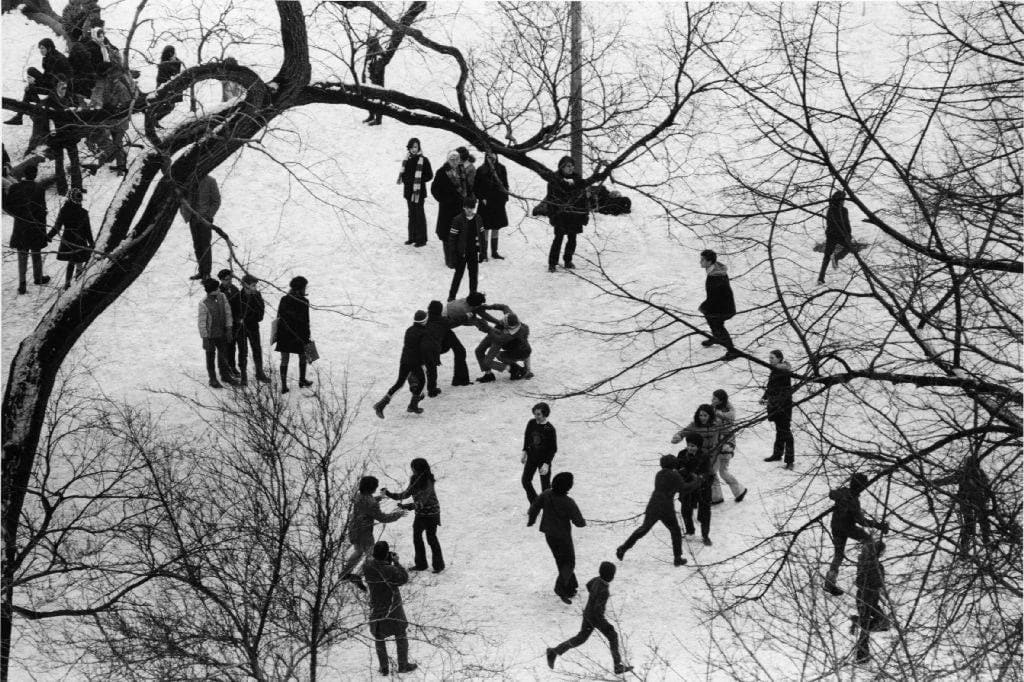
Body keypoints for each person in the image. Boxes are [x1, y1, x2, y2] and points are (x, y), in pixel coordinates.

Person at [546, 561, 632, 674]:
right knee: (613, 636)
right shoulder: (604, 590)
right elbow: (598, 611)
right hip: (595, 618)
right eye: (613, 574)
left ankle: (554, 651)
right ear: (610, 576)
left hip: (588, 614)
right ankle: (617, 666)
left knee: (580, 638)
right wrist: (606, 625)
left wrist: (592, 597)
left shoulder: (596, 580)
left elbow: (588, 585)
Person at [615, 453, 700, 566]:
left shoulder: (659, 474)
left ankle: (623, 548)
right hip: (666, 507)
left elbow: (672, 479)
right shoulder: (675, 475)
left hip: (653, 504)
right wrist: (697, 481)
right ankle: (677, 557)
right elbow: (684, 488)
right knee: (675, 531)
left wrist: (681, 473)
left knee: (643, 529)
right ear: (673, 464)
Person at [824, 473, 889, 596]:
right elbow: (861, 521)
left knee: (839, 554)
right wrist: (878, 525)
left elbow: (832, 494)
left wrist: (842, 497)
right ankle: (866, 571)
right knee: (868, 541)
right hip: (848, 528)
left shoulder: (844, 492)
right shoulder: (853, 500)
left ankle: (830, 581)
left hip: (836, 527)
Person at [527, 471, 585, 604]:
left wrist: (531, 520)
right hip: (563, 537)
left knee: (560, 560)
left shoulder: (546, 494)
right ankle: (560, 587)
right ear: (568, 487)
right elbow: (579, 522)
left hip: (549, 535)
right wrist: (583, 522)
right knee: (569, 562)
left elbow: (534, 507)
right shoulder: (568, 502)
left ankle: (570, 588)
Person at [341, 476, 407, 591]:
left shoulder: (358, 496)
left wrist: (379, 498)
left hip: (354, 529)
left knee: (358, 551)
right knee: (371, 556)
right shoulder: (371, 503)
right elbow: (383, 518)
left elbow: (366, 504)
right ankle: (358, 575)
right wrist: (398, 514)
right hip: (365, 532)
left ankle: (344, 574)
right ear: (372, 488)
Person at [363, 541, 417, 675]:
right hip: (393, 607)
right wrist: (396, 563)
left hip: (377, 606)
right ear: (386, 554)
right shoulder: (390, 570)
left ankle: (384, 667)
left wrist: (384, 558)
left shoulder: (367, 566)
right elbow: (403, 579)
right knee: (401, 634)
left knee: (379, 637)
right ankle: (403, 665)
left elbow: (371, 560)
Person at [382, 458, 444, 573]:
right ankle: (421, 564)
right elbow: (406, 494)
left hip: (431, 514)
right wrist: (389, 494)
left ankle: (438, 565)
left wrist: (407, 506)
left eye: (414, 469)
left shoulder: (428, 481)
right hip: (420, 514)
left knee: (431, 539)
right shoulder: (414, 479)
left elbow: (422, 501)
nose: (413, 471)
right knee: (417, 538)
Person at [372, 310, 432, 417]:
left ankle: (381, 405)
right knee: (422, 381)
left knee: (399, 383)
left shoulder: (409, 330)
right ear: (424, 321)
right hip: (416, 362)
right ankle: (413, 405)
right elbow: (424, 349)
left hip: (405, 360)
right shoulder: (424, 333)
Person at [932, 453, 992, 558]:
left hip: (976, 502)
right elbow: (947, 480)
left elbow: (987, 489)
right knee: (971, 526)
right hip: (968, 502)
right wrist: (932, 483)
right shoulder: (965, 474)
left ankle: (987, 546)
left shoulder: (979, 474)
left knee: (981, 524)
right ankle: (965, 549)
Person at [5, 38, 72, 128]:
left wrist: (34, 83)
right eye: (40, 48)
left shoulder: (56, 59)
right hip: (51, 82)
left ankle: (21, 115)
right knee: (31, 71)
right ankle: (20, 115)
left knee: (29, 89)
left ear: (49, 48)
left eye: (43, 48)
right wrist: (35, 81)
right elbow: (47, 75)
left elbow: (52, 81)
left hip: (58, 88)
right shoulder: (49, 56)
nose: (41, 50)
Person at [5, 164, 51, 294]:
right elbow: (42, 211)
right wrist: (43, 230)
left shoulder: (15, 188)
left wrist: (16, 216)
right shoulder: (39, 188)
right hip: (35, 226)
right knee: (36, 252)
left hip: (20, 225)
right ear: (35, 175)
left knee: (22, 255)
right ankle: (38, 277)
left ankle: (22, 283)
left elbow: (7, 205)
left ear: (24, 174)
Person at [671, 403, 723, 504]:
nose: (702, 418)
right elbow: (684, 432)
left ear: (710, 416)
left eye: (705, 415)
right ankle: (709, 496)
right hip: (701, 454)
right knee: (707, 473)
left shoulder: (717, 425)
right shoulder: (694, 425)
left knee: (712, 473)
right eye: (700, 415)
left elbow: (725, 434)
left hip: (714, 454)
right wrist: (678, 436)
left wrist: (726, 445)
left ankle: (716, 497)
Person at [546, 156, 589, 272]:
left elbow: (584, 199)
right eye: (568, 166)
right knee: (558, 239)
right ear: (562, 167)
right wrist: (552, 215)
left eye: (572, 166)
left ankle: (568, 260)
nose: (571, 168)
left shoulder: (578, 180)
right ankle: (552, 263)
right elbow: (550, 199)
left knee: (572, 239)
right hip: (560, 215)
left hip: (574, 215)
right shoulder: (555, 180)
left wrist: (585, 214)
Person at [47, 187, 94, 289]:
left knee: (72, 261)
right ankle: (76, 283)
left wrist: (49, 236)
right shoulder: (83, 212)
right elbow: (88, 230)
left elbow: (57, 226)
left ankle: (68, 284)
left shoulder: (64, 210)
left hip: (68, 240)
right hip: (80, 240)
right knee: (79, 262)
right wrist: (91, 242)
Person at [851, 537, 888, 664]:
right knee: (866, 627)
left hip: (872, 598)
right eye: (882, 551)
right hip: (865, 596)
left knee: (884, 622)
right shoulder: (868, 563)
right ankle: (861, 656)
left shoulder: (874, 564)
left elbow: (880, 583)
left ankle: (858, 621)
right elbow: (866, 581)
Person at [698, 249, 739, 360]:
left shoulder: (715, 277)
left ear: (710, 262)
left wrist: (704, 307)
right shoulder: (715, 270)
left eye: (702, 260)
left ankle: (732, 351)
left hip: (724, 308)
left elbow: (715, 297)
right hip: (721, 305)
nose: (700, 262)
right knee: (711, 319)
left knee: (718, 326)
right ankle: (716, 337)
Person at [274, 275, 313, 393]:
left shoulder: (284, 299)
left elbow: (279, 317)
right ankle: (302, 380)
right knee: (303, 357)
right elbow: (306, 322)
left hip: (284, 334)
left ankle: (284, 386)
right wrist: (307, 338)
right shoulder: (304, 301)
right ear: (301, 288)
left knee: (284, 360)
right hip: (299, 336)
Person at [179, 174, 221, 281]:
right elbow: (182, 198)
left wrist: (208, 215)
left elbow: (216, 201)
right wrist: (186, 213)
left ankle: (206, 273)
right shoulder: (189, 180)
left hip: (205, 220)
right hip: (192, 218)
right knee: (197, 245)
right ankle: (201, 271)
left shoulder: (210, 181)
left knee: (205, 245)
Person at [676, 433, 715, 545]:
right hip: (687, 488)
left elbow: (708, 473)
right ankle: (690, 531)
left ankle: (705, 535)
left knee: (704, 512)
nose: (690, 448)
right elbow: (678, 467)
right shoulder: (682, 454)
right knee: (685, 510)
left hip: (702, 488)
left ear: (698, 446)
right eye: (688, 445)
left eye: (693, 446)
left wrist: (699, 477)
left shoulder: (704, 456)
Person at [198, 278, 237, 388]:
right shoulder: (203, 303)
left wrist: (229, 328)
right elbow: (201, 323)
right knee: (210, 357)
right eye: (217, 288)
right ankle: (213, 378)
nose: (219, 290)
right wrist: (204, 337)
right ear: (212, 291)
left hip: (222, 333)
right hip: (210, 336)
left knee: (224, 355)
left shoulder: (222, 297)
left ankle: (225, 375)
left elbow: (228, 312)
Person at [423, 299, 471, 389]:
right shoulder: (441, 320)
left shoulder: (425, 318)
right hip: (438, 344)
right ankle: (460, 379)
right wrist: (466, 316)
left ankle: (433, 388)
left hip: (435, 342)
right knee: (460, 351)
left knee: (459, 350)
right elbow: (454, 321)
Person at [710, 389, 747, 502]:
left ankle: (738, 491)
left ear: (720, 400)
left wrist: (716, 414)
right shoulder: (713, 409)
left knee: (721, 471)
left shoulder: (729, 411)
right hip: (716, 444)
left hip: (726, 444)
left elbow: (727, 422)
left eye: (715, 398)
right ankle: (720, 495)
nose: (712, 400)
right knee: (714, 471)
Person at [475, 311, 533, 383]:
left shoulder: (508, 336)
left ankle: (514, 369)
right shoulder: (520, 326)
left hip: (498, 339)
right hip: (497, 335)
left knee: (497, 356)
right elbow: (503, 307)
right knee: (479, 351)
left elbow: (498, 339)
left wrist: (487, 328)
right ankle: (489, 375)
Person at [430, 150, 471, 251]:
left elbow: (467, 186)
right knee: (447, 234)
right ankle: (449, 259)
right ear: (448, 160)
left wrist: (468, 198)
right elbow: (434, 189)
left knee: (459, 232)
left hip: (459, 207)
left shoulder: (461, 170)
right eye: (452, 159)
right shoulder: (442, 172)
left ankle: (457, 256)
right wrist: (444, 199)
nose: (455, 162)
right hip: (447, 209)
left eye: (457, 159)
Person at [445, 197, 484, 302]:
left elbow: (481, 236)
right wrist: (453, 254)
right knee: (458, 276)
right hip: (461, 254)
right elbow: (452, 238)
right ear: (464, 208)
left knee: (473, 276)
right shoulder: (457, 220)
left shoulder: (478, 219)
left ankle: (473, 296)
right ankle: (451, 296)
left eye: (472, 208)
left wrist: (482, 252)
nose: (470, 210)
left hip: (473, 253)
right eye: (467, 208)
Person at [761, 350, 794, 468]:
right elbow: (771, 386)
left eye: (773, 358)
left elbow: (783, 391)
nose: (770, 360)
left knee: (786, 432)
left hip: (783, 406)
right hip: (775, 404)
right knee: (780, 430)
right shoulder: (775, 370)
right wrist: (765, 397)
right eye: (769, 358)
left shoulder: (782, 371)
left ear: (780, 359)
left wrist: (777, 403)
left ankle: (790, 460)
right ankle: (777, 453)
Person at [397, 137, 433, 246]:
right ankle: (412, 237)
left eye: (416, 147)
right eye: (412, 147)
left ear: (419, 147)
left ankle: (421, 239)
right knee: (411, 214)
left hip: (419, 192)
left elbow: (429, 175)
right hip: (408, 192)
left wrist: (419, 180)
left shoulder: (423, 160)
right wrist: (407, 180)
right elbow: (404, 175)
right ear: (409, 148)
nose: (414, 149)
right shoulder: (406, 159)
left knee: (419, 215)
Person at [521, 402, 558, 504]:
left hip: (543, 461)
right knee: (525, 481)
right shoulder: (531, 423)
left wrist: (546, 464)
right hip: (532, 458)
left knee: (545, 488)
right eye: (535, 414)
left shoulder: (549, 429)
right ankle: (535, 503)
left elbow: (553, 448)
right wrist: (524, 451)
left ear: (545, 414)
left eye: (538, 414)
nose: (536, 416)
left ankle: (549, 509)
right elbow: (527, 438)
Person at [238, 274, 271, 384]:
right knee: (243, 351)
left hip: (253, 327)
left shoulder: (257, 295)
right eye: (253, 285)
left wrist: (249, 318)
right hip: (241, 329)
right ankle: (243, 375)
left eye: (255, 285)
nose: (255, 288)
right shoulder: (238, 296)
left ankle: (260, 373)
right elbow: (234, 312)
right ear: (245, 285)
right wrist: (239, 320)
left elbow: (261, 313)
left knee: (257, 350)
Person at [475, 151, 509, 260]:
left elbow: (505, 185)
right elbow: (476, 187)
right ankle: (483, 253)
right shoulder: (481, 170)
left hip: (498, 202)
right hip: (485, 203)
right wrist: (481, 198)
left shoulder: (501, 168)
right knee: (485, 228)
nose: (492, 157)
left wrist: (504, 198)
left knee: (496, 227)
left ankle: (494, 252)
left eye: (493, 154)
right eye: (489, 155)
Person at [818, 190, 853, 285]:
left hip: (842, 235)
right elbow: (830, 223)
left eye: (844, 200)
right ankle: (821, 278)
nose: (843, 202)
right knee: (827, 256)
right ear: (838, 200)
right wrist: (838, 230)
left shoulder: (844, 210)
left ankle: (837, 257)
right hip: (832, 235)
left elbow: (847, 223)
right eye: (842, 200)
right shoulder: (831, 210)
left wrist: (849, 234)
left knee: (849, 247)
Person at [217, 269, 243, 378]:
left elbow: (239, 306)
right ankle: (225, 369)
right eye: (226, 280)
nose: (229, 281)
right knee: (224, 347)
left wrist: (239, 318)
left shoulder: (234, 289)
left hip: (234, 324)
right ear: (221, 280)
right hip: (224, 324)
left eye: (230, 279)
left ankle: (232, 366)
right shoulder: (218, 292)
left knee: (232, 346)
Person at [150, 45, 183, 128]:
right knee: (164, 104)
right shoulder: (163, 64)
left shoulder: (176, 62)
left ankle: (155, 119)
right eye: (174, 52)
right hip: (164, 86)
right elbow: (162, 78)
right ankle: (153, 119)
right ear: (170, 53)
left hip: (173, 86)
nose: (175, 54)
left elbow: (177, 73)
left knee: (170, 106)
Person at [66, 27, 96, 103]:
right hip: (90, 77)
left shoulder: (76, 48)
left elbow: (70, 64)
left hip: (81, 77)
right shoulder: (85, 46)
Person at [362, 36, 385, 125]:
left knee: (378, 99)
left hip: (376, 81)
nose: (367, 45)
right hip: (369, 78)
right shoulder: (370, 49)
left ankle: (378, 120)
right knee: (369, 98)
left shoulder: (379, 52)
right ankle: (371, 115)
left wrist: (373, 78)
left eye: (369, 43)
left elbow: (377, 69)